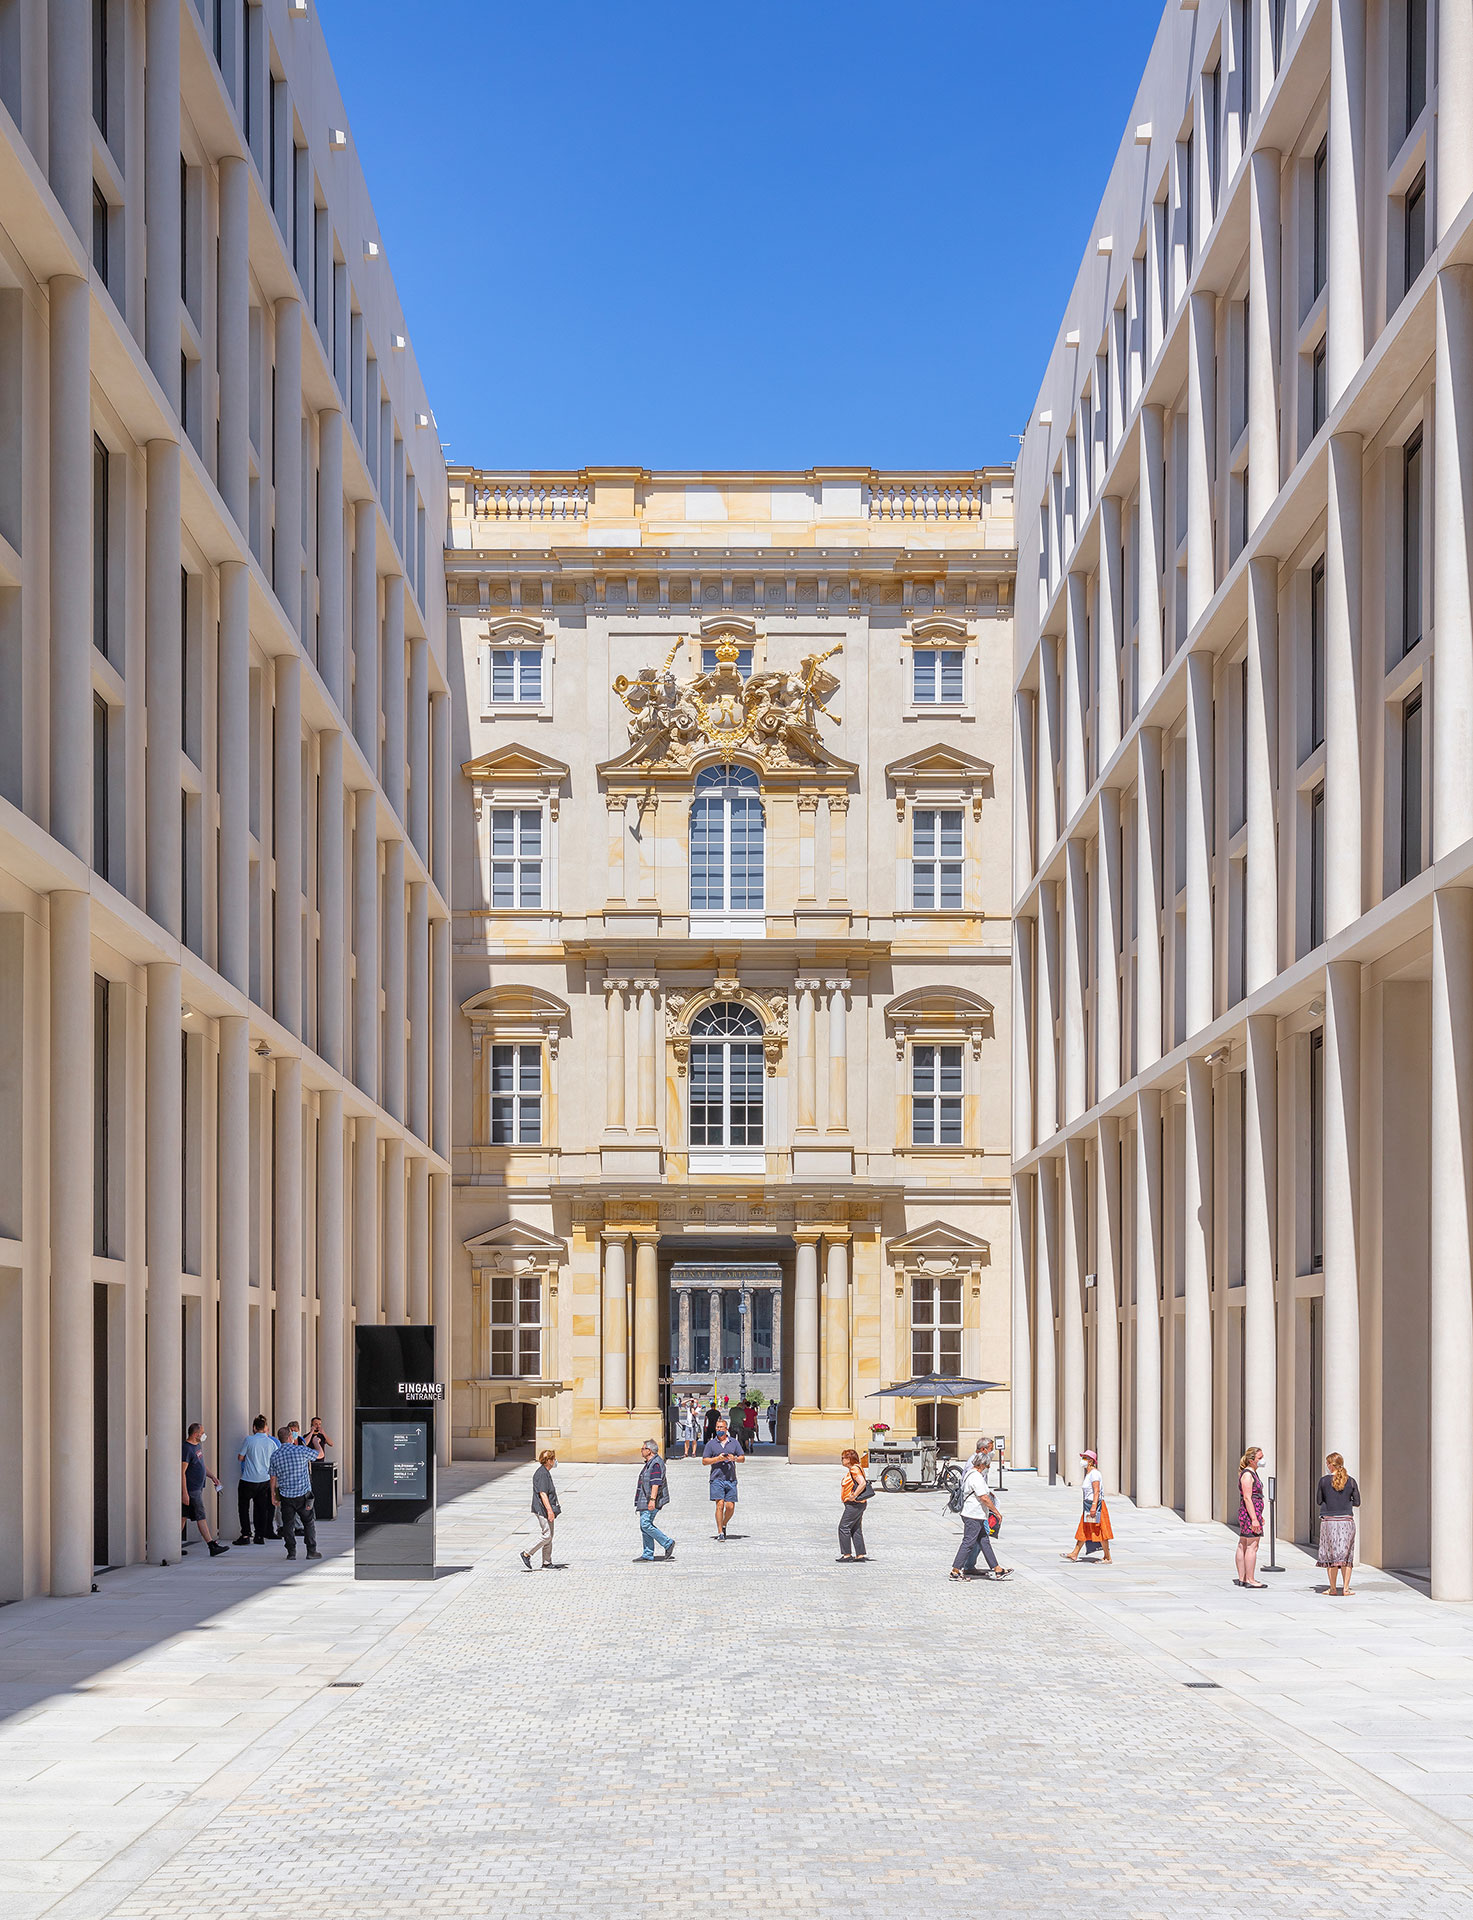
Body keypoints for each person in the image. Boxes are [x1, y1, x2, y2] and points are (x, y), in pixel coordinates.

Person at [951, 1444, 1009, 1580]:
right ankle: (955, 1571)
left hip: (976, 1514)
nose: (988, 1468)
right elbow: (983, 1497)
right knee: (968, 1542)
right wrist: (996, 1512)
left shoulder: (971, 1474)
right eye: (987, 1466)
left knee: (984, 1541)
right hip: (973, 1515)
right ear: (982, 1465)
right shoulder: (975, 1477)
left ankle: (997, 1569)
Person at [269, 1423, 321, 1561]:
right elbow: (319, 1455)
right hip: (303, 1495)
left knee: (288, 1525)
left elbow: (272, 1478)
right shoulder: (300, 1451)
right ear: (291, 1437)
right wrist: (316, 1442)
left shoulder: (275, 1455)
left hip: (286, 1496)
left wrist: (273, 1496)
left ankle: (291, 1552)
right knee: (308, 1522)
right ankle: (311, 1551)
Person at [181, 1424, 229, 1558]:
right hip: (192, 1490)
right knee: (200, 1516)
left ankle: (172, 1546)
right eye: (202, 1432)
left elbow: (201, 1465)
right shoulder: (186, 1449)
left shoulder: (197, 1447)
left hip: (197, 1487)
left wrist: (212, 1476)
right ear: (195, 1434)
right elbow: (182, 1472)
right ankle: (212, 1545)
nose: (204, 1434)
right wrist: (184, 1493)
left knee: (183, 1517)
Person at [1317, 1450, 1361, 1596]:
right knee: (1346, 1555)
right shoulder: (1351, 1480)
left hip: (1329, 1521)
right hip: (1346, 1521)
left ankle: (1333, 1588)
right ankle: (1346, 1588)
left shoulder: (1323, 1481)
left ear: (1330, 1465)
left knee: (1331, 1555)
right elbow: (1358, 1502)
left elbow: (1319, 1501)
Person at [1062, 1449, 1113, 1563]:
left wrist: (1094, 1507)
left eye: (1085, 1458)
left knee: (1100, 1530)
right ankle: (1075, 1553)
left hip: (1096, 1505)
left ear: (1091, 1461)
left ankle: (1107, 1557)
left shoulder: (1095, 1473)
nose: (1082, 1460)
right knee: (1084, 1528)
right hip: (1088, 1505)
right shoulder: (1088, 1474)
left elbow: (1096, 1491)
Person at [233, 1415, 277, 1545]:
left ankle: (246, 1535)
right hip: (264, 1479)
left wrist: (250, 1458)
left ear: (254, 1428)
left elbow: (240, 1457)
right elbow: (276, 1458)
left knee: (243, 1507)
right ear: (265, 1428)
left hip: (248, 1478)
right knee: (261, 1508)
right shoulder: (271, 1442)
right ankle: (259, 1535)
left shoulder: (249, 1440)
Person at [633, 1438, 676, 1561]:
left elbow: (655, 1483)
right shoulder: (650, 1462)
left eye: (643, 1449)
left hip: (651, 1500)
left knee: (645, 1524)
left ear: (649, 1450)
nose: (641, 1451)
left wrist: (652, 1500)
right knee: (645, 1525)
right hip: (645, 1500)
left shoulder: (655, 1464)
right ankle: (648, 1553)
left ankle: (667, 1543)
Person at [702, 1416, 744, 1539]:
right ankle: (720, 1532)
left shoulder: (734, 1443)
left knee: (730, 1506)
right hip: (716, 1479)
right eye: (717, 1427)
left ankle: (724, 1523)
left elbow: (742, 1458)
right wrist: (717, 1459)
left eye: (722, 1427)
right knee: (719, 1504)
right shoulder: (711, 1444)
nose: (719, 1429)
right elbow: (704, 1461)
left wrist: (734, 1458)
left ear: (726, 1429)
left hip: (730, 1478)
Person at [1234, 1446, 1268, 1588]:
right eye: (1259, 1458)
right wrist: (1254, 1518)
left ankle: (1243, 1578)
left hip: (1252, 1512)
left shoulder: (1252, 1473)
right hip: (1249, 1514)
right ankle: (1250, 1579)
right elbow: (1248, 1498)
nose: (1262, 1460)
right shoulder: (1248, 1475)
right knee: (1252, 1545)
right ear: (1251, 1460)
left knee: (1243, 1543)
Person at [521, 1449, 559, 1569]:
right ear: (548, 1461)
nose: (555, 1461)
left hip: (546, 1508)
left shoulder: (545, 1472)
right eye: (553, 1459)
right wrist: (549, 1510)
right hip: (542, 1509)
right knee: (547, 1535)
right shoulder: (542, 1474)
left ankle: (547, 1562)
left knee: (550, 1535)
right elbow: (543, 1493)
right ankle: (527, 1553)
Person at [837, 1449, 871, 1562]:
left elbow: (862, 1483)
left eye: (843, 1458)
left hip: (854, 1504)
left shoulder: (854, 1469)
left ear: (849, 1459)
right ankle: (860, 1554)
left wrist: (854, 1496)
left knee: (843, 1527)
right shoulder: (857, 1467)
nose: (842, 1460)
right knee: (855, 1528)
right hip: (858, 1504)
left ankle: (847, 1555)